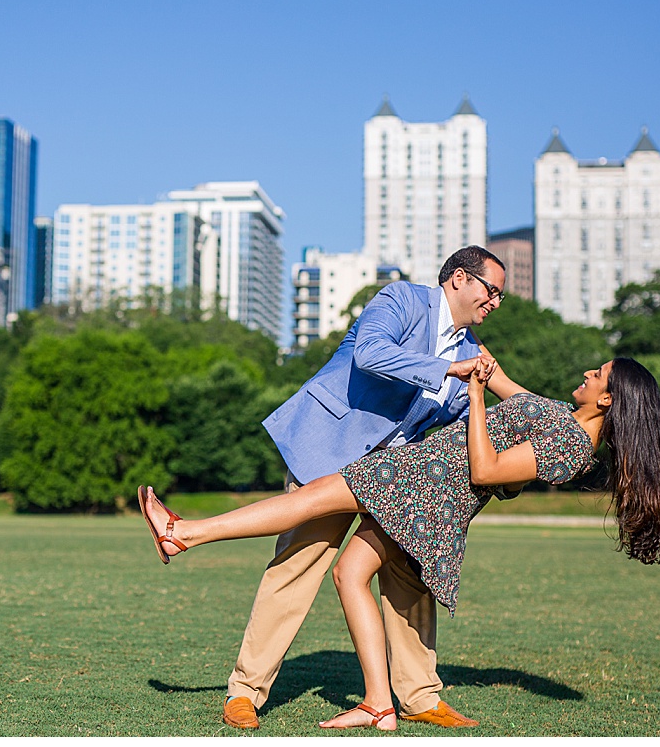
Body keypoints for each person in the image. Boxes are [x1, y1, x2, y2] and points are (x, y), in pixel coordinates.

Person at [140, 355, 660, 730]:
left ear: (610, 398)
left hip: (426, 486)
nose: (587, 372)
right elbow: (510, 391)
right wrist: (468, 347)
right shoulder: (562, 417)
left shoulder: (572, 447)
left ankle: (184, 533)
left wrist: (470, 392)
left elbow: (487, 469)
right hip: (423, 481)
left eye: (599, 373)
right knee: (348, 572)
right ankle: (379, 704)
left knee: (313, 500)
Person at [210, 245, 508, 730]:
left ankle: (420, 696)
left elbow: (463, 417)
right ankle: (245, 691)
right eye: (491, 290)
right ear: (459, 278)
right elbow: (370, 354)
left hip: (393, 473)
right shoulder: (402, 300)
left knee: (409, 577)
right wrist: (445, 369)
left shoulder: (475, 353)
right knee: (296, 567)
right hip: (331, 450)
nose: (495, 303)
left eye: (501, 297)